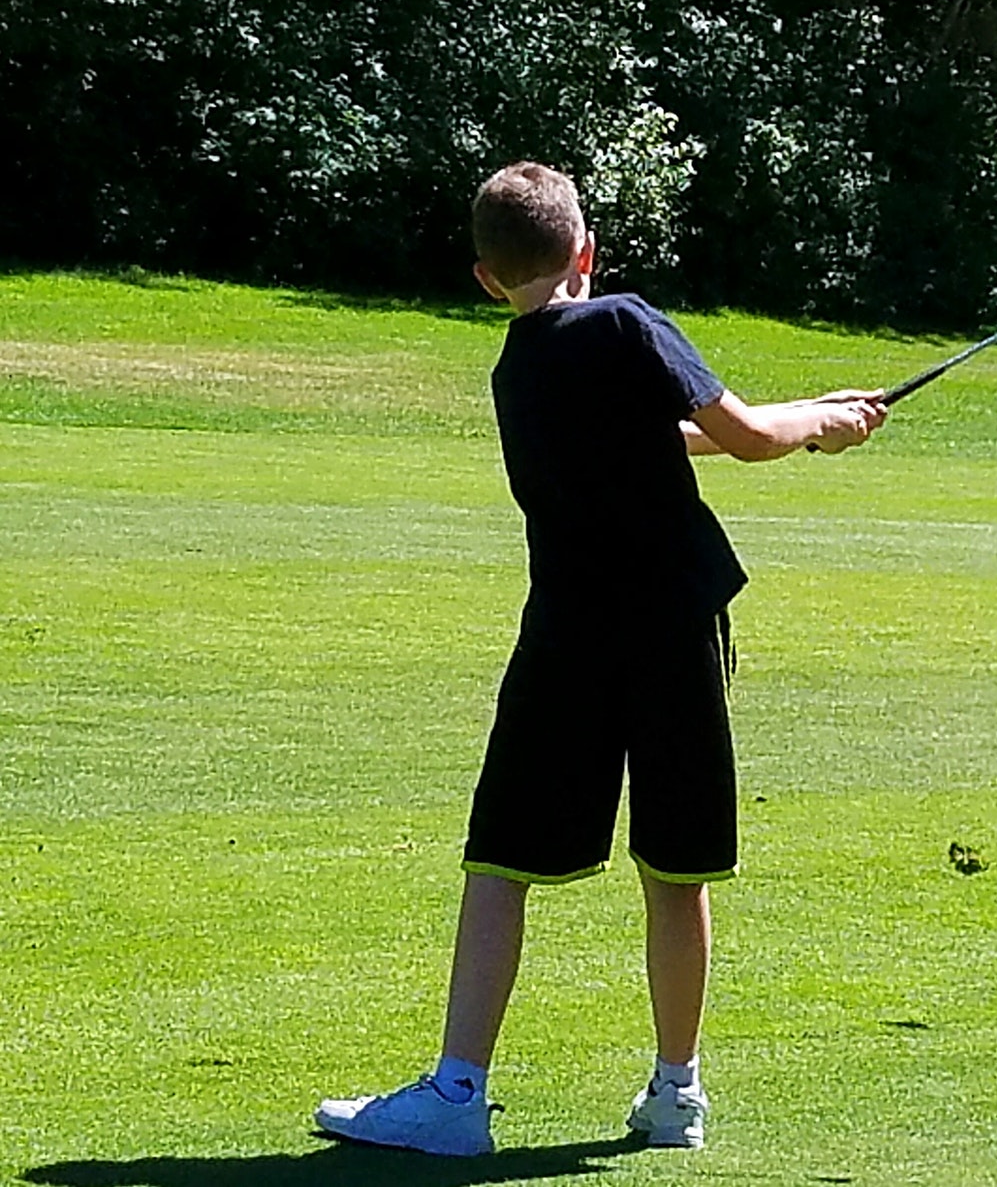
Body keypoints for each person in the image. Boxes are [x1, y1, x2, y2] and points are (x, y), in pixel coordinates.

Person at [313, 161, 886, 1156]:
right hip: (669, 631)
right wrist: (818, 424)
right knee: (676, 870)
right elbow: (744, 438)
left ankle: (457, 1097)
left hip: (567, 639)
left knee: (500, 864)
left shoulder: (516, 367)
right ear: (586, 249)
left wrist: (803, 416)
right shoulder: (625, 321)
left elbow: (652, 436)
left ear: (488, 280)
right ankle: (677, 1095)